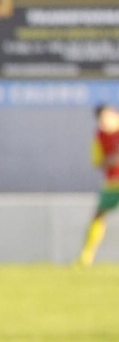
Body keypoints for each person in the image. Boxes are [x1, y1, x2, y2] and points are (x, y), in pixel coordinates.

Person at [76, 104, 119, 266]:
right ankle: (86, 256)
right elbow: (98, 163)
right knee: (99, 215)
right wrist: (113, 159)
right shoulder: (99, 136)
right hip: (113, 183)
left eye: (109, 115)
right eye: (103, 118)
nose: (107, 120)